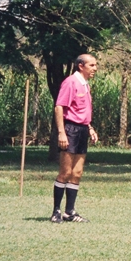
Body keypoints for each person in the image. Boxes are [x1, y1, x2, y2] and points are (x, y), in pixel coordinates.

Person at [51, 54, 100, 223]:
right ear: (81, 66)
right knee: (65, 172)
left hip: (82, 130)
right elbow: (59, 107)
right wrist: (62, 132)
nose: (95, 68)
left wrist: (90, 128)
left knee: (77, 173)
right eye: (92, 65)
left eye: (95, 65)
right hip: (70, 129)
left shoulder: (85, 84)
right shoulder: (71, 82)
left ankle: (69, 212)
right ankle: (56, 211)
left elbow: (83, 111)